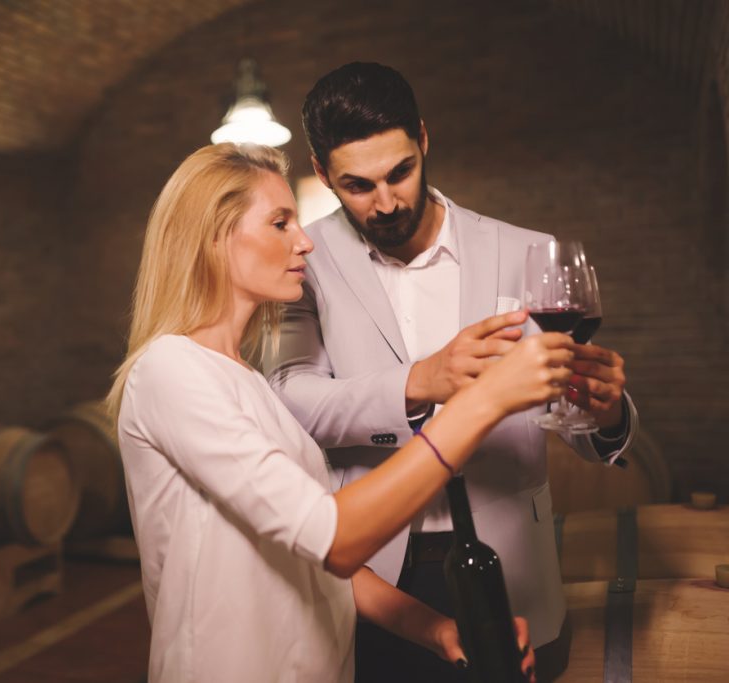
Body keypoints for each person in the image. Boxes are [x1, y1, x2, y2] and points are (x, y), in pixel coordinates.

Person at [108, 142, 569, 682]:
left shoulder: (253, 385)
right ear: (214, 238)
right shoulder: (171, 371)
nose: (304, 242)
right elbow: (335, 537)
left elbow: (321, 560)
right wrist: (484, 401)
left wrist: (436, 628)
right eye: (280, 223)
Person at [265, 62, 640, 682]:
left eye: (400, 172)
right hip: (376, 582)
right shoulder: (303, 261)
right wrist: (420, 380)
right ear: (322, 171)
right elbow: (287, 398)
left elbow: (567, 413)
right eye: (358, 186)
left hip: (514, 569)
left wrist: (603, 414)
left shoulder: (525, 251)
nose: (385, 203)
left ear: (424, 140)